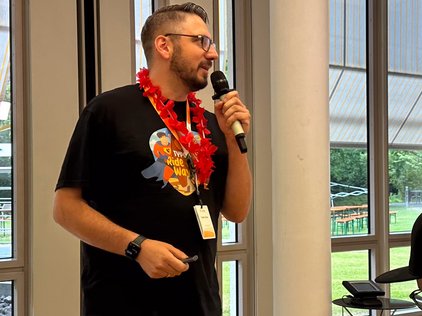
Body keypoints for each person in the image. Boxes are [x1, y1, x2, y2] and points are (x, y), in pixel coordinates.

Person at [53, 2, 252, 316]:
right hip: (122, 303)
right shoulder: (110, 110)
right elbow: (66, 209)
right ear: (164, 45)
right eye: (201, 41)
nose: (212, 54)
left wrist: (231, 137)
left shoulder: (210, 123)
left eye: (211, 43)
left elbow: (237, 211)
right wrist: (137, 247)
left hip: (199, 303)